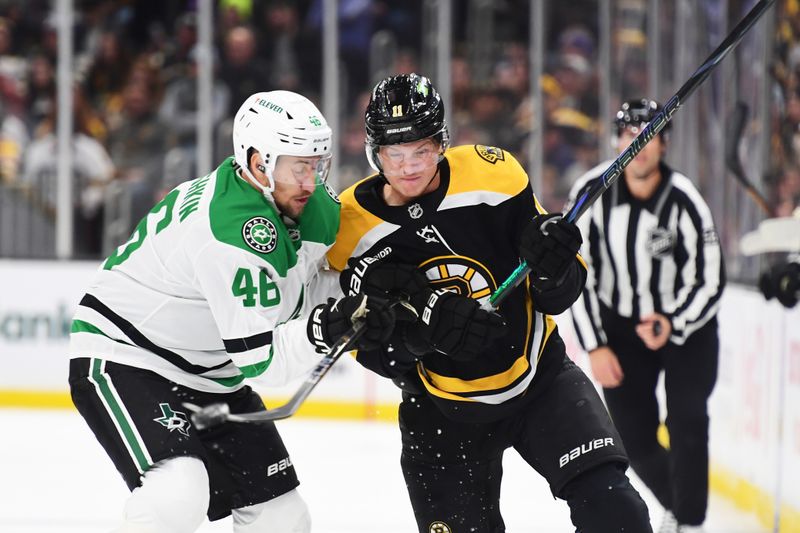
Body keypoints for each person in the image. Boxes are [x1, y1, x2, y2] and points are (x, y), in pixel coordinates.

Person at [327, 73, 653, 533]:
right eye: (393, 154)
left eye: (420, 150)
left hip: (540, 379)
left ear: (441, 143)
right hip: (440, 410)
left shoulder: (493, 176)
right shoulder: (350, 230)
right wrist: (422, 338)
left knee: (618, 515)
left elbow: (557, 294)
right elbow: (368, 344)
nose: (409, 167)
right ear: (373, 154)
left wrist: (552, 264)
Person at [68, 90, 399, 533]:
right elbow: (263, 362)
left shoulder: (305, 203)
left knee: (282, 519)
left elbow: (296, 291)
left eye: (317, 163)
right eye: (298, 165)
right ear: (259, 162)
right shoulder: (227, 234)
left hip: (212, 370)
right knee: (177, 494)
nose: (311, 179)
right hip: (128, 358)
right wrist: (327, 324)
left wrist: (358, 290)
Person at [568, 98, 725, 533]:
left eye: (648, 135)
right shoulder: (591, 193)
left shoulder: (684, 200)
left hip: (684, 327)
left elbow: (710, 277)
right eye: (628, 134)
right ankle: (679, 503)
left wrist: (673, 321)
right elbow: (574, 273)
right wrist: (596, 344)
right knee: (631, 438)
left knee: (687, 416)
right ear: (617, 141)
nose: (637, 143)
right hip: (618, 328)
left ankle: (689, 523)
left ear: (664, 145)